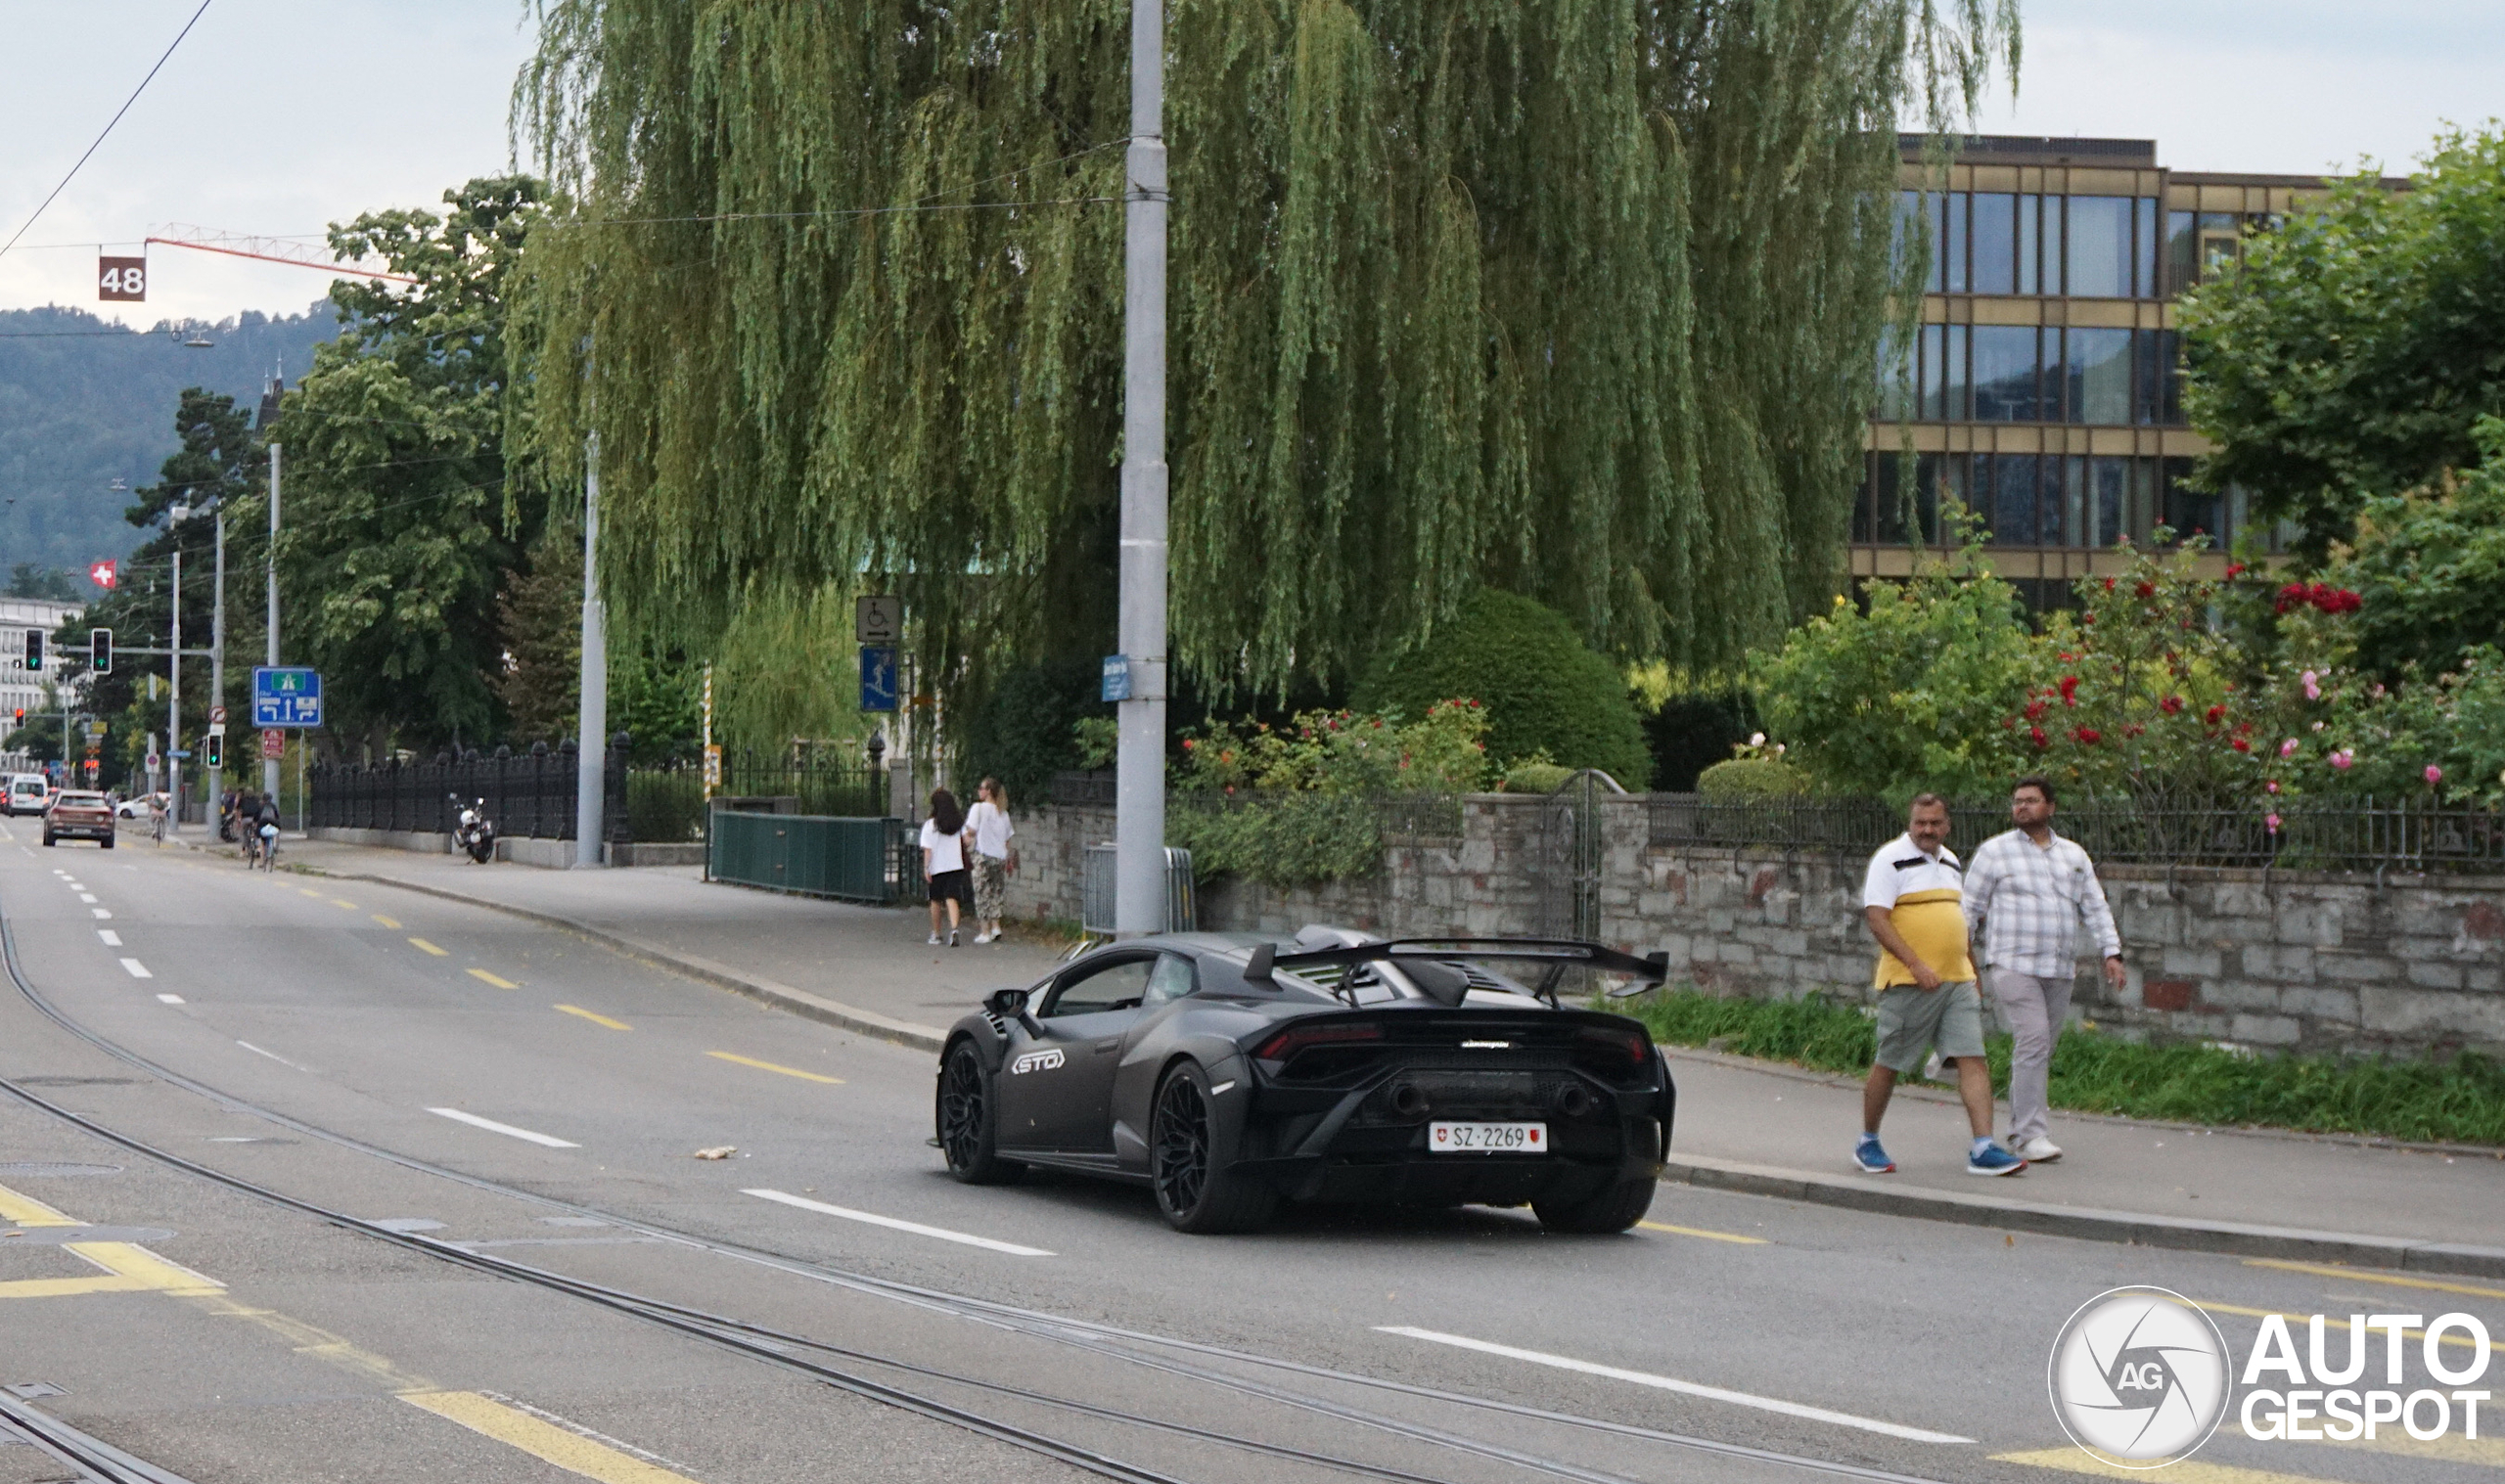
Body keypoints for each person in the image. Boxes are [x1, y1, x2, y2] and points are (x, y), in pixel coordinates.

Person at [1854, 793, 2027, 1178]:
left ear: (1947, 825)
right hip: (1909, 983)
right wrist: (1915, 964)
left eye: (1935, 823)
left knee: (1973, 1058)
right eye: (1920, 823)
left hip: (1956, 981)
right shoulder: (1889, 859)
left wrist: (1972, 970)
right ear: (1910, 823)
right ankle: (1868, 1140)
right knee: (1891, 1061)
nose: (1927, 830)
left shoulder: (1950, 861)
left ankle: (1983, 1146)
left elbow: (1958, 920)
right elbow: (1878, 919)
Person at [1963, 776, 2126, 1165]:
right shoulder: (1994, 852)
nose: (2022, 807)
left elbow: (2095, 906)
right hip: (2012, 962)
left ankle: (2020, 1121)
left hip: (2058, 965)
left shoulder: (2073, 855)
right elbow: (1968, 909)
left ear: (2050, 807)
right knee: (2034, 1040)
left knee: (2041, 1047)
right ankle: (2029, 1134)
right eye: (2017, 800)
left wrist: (2111, 952)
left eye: (2031, 800)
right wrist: (1961, 962)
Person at [963, 777, 1017, 944]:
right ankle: (996, 926)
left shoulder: (977, 809)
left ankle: (984, 931)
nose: (979, 791)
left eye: (982, 788)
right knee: (996, 892)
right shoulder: (1003, 813)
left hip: (982, 856)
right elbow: (1007, 839)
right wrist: (1008, 859)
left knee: (981, 893)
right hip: (999, 857)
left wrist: (965, 836)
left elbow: (971, 831)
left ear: (989, 792)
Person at [920, 787, 973, 947]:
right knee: (952, 898)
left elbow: (928, 850)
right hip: (956, 865)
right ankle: (954, 929)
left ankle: (936, 933)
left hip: (937, 867)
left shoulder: (930, 825)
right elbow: (967, 841)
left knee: (935, 900)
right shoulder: (958, 824)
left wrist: (926, 868)